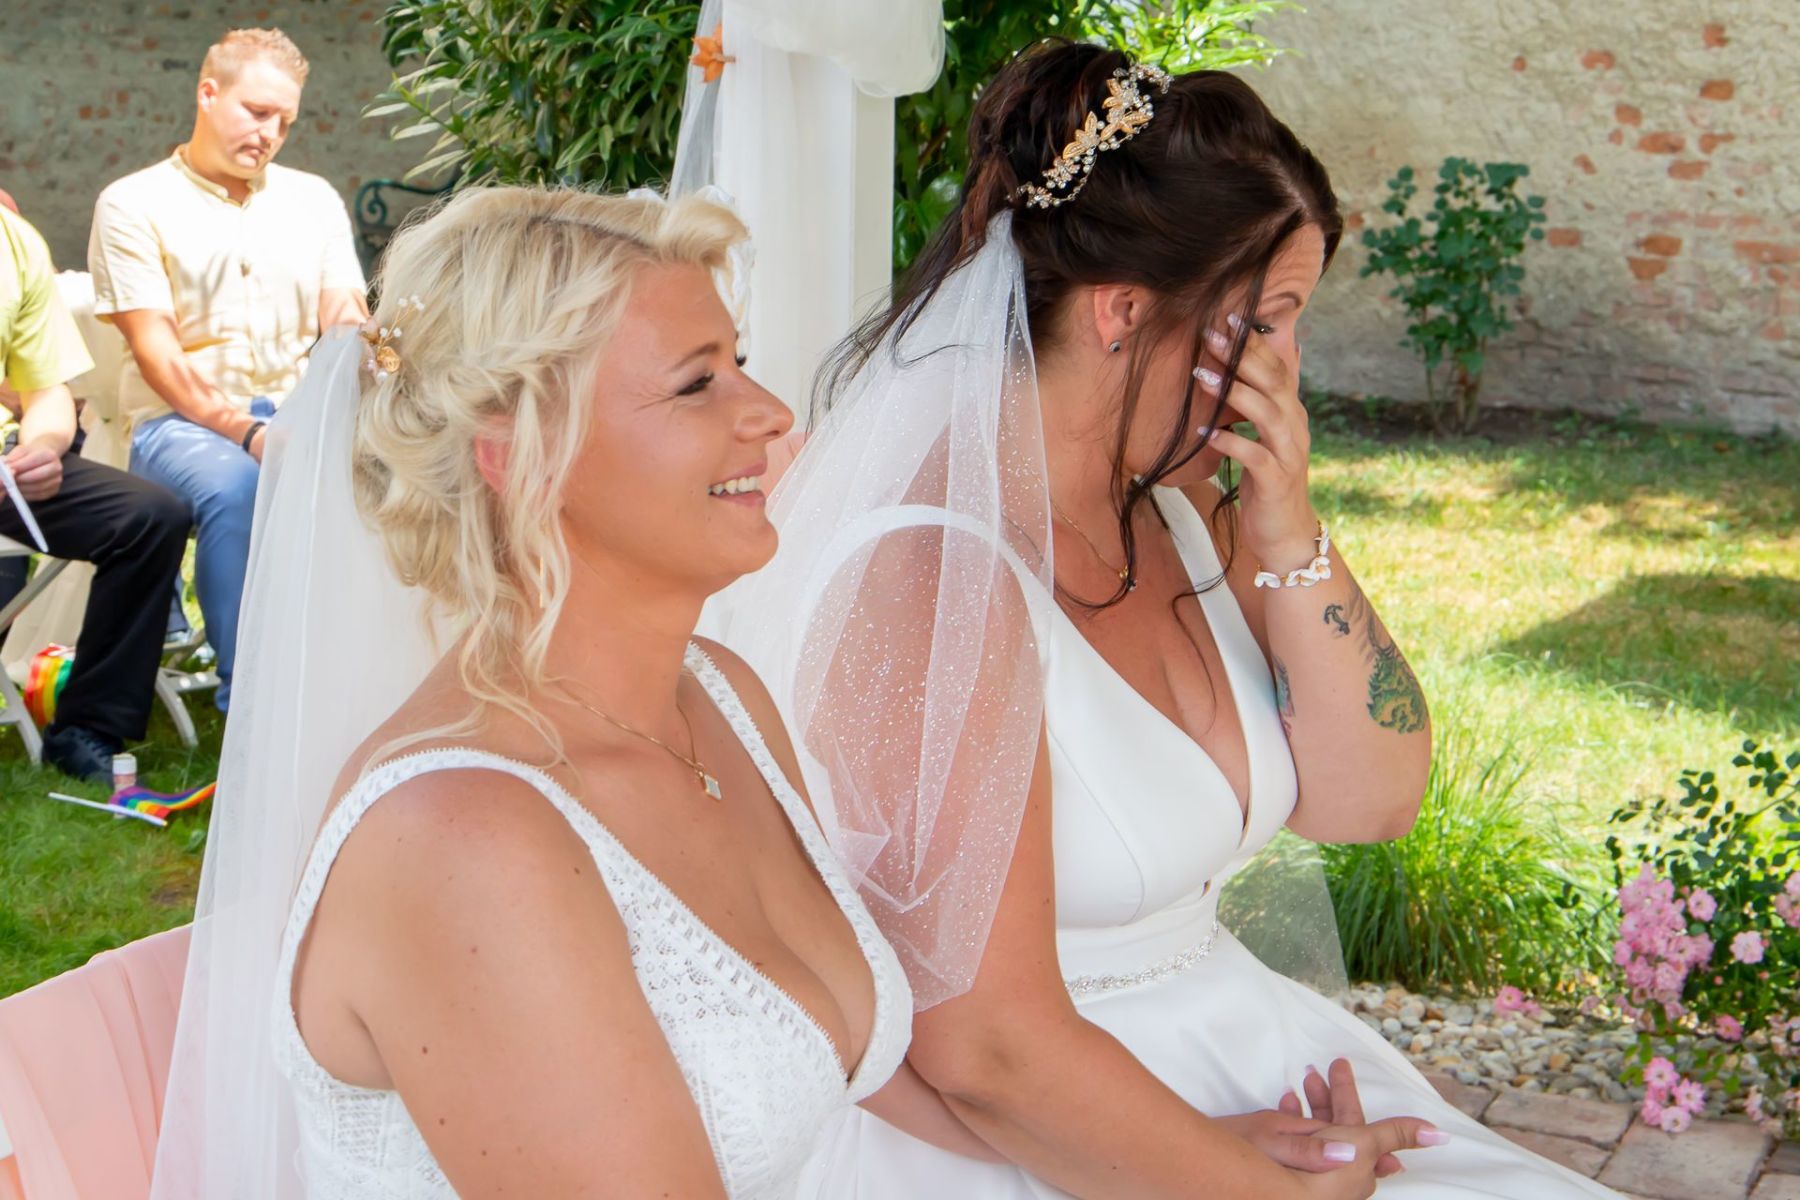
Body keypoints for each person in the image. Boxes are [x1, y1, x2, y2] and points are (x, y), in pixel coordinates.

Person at [718, 41, 1625, 1198]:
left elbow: (1370, 802)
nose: (1290, 365)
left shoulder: (1192, 514)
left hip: (1236, 1048)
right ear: (1123, 313)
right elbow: (984, 1049)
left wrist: (1291, 530)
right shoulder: (932, 577)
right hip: (1041, 1131)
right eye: (1273, 319)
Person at [146, 186, 1033, 1199]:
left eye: (738, 360)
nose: (771, 411)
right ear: (524, 459)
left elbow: (844, 1050)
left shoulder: (719, 701)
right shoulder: (461, 840)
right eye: (697, 383)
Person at [88, 27, 368, 711]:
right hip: (176, 427)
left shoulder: (313, 199)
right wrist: (249, 433)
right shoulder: (132, 202)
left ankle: (363, 690)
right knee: (240, 487)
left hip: (295, 413)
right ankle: (253, 706)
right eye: (257, 111)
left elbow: (346, 320)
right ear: (208, 94)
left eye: (285, 121)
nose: (271, 134)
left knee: (408, 475)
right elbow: (157, 355)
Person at [0, 203, 189, 783]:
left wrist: (43, 447)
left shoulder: (13, 239)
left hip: (5, 463)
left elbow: (46, 391)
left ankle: (87, 728)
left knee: (150, 516)